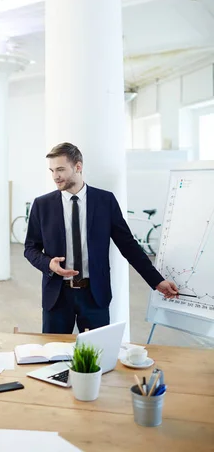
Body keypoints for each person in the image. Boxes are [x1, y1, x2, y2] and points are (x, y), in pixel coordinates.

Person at [24, 142, 179, 334]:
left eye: (61, 169)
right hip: (57, 296)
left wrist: (156, 281)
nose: (55, 176)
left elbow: (128, 245)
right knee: (54, 353)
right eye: (52, 170)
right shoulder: (42, 205)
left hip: (94, 296)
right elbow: (30, 248)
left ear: (78, 167)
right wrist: (48, 264)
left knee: (98, 357)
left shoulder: (105, 201)